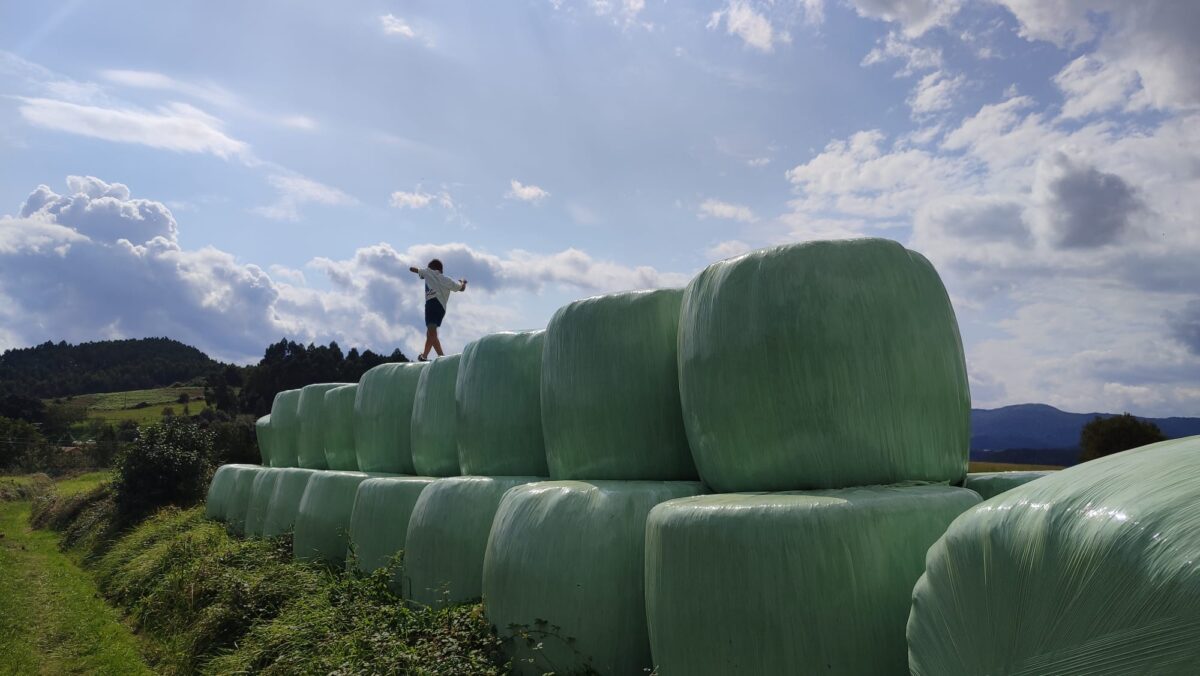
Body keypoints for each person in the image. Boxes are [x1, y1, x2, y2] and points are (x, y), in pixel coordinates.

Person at [409, 259, 467, 361]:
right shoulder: (447, 280)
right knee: (431, 333)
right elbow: (461, 288)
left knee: (431, 332)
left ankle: (424, 356)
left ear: (431, 267)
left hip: (431, 304)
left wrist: (422, 271)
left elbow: (412, 269)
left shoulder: (428, 271)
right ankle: (441, 356)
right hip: (441, 309)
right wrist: (462, 281)